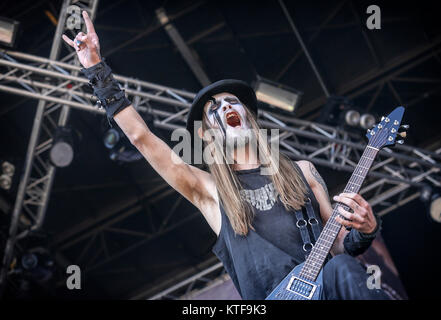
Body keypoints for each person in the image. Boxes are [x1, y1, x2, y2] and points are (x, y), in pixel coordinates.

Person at [62, 11, 390, 300]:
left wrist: (366, 229)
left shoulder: (302, 171)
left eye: (233, 101)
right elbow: (141, 137)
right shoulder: (210, 190)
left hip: (327, 287)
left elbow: (338, 245)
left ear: (247, 115)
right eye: (215, 108)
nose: (227, 107)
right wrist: (96, 70)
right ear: (209, 134)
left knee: (344, 268)